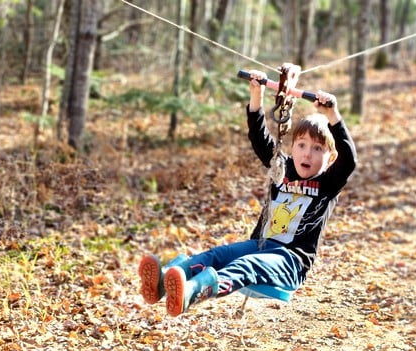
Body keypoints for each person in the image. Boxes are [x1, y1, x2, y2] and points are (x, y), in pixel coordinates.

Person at [138, 64, 358, 317]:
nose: (307, 153)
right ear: (293, 146)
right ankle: (164, 282)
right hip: (260, 245)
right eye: (301, 145)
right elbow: (260, 139)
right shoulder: (282, 168)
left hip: (290, 262)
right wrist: (257, 94)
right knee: (217, 255)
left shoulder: (328, 184)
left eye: (317, 149)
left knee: (245, 265)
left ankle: (193, 292)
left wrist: (333, 115)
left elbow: (350, 160)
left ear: (330, 158)